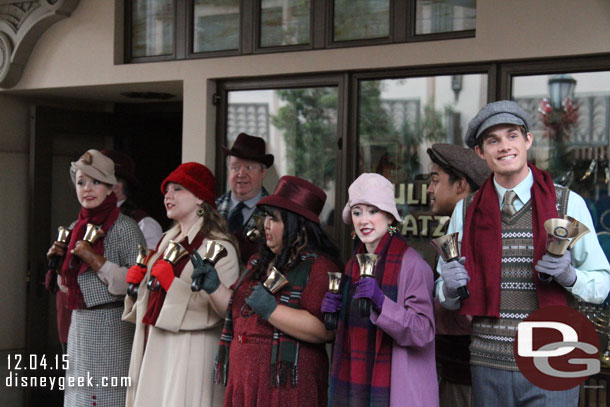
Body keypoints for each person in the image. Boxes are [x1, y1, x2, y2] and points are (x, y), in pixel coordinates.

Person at [436, 101, 610, 407]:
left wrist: (571, 277)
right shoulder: (466, 210)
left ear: (528, 140)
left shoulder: (568, 203)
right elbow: (446, 292)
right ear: (480, 152)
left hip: (555, 360)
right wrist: (448, 288)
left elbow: (602, 283)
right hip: (488, 364)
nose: (504, 146)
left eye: (512, 135)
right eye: (493, 140)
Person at [201, 175, 340, 406]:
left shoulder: (319, 268)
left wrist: (272, 310)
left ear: (298, 225)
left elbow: (325, 330)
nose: (265, 224)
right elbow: (239, 311)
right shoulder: (258, 262)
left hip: (285, 389)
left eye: (274, 219)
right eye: (265, 216)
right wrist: (214, 287)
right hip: (244, 381)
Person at [122, 162, 240, 407]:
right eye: (167, 190)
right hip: (157, 343)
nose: (168, 195)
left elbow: (226, 312)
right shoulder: (167, 240)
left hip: (192, 350)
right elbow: (154, 299)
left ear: (200, 199)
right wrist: (138, 288)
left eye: (178, 189)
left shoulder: (220, 247)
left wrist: (171, 284)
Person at [325, 173, 438, 407]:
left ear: (389, 217)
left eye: (373, 211)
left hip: (396, 390)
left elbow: (423, 332)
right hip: (355, 382)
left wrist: (381, 302)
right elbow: (354, 331)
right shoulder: (352, 265)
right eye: (357, 212)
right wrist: (335, 313)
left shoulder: (413, 265)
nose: (364, 220)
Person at [45, 149, 145, 406]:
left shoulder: (125, 227)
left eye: (96, 182)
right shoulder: (73, 228)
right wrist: (59, 268)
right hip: (80, 324)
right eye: (81, 182)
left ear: (111, 187)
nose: (87, 189)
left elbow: (138, 283)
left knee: (108, 397)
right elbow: (69, 287)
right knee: (79, 397)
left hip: (114, 324)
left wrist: (96, 261)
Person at [427, 143, 490, 407]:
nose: (429, 190)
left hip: (467, 371)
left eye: (435, 180)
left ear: (461, 185)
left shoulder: (479, 231)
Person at [216, 132, 274, 263]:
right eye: (235, 168)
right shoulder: (211, 208)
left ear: (263, 172)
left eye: (249, 167)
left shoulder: (275, 214)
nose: (241, 174)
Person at [101, 149, 163, 249]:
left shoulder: (144, 225)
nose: (87, 188)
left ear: (116, 187)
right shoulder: (86, 222)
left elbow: (149, 264)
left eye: (96, 182)